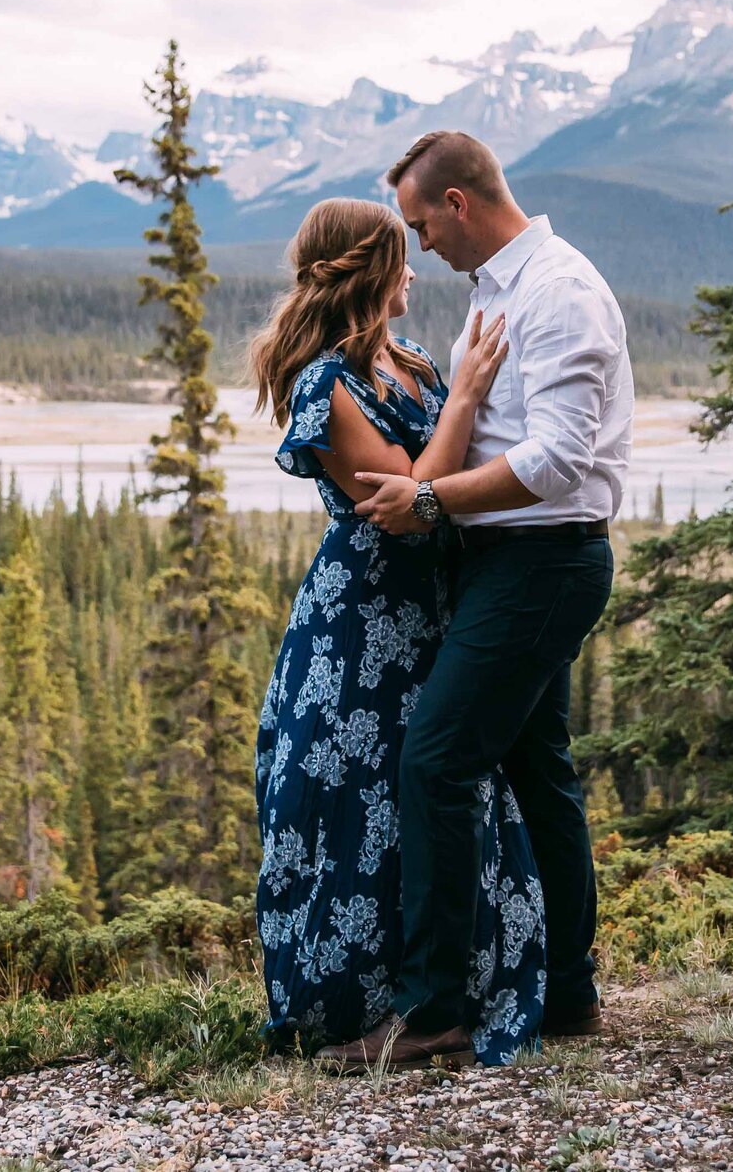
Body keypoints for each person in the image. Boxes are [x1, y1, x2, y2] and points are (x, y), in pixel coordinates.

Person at [320, 130, 634, 1070]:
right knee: (540, 774)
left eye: (422, 225)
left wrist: (428, 497)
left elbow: (559, 459)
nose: (419, 248)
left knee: (437, 760)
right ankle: (569, 996)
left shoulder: (561, 293)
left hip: (544, 563)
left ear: (457, 203)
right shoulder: (497, 293)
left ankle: (434, 1012)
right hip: (506, 564)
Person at [248, 195, 547, 1065]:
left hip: (436, 616)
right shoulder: (325, 386)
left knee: (432, 792)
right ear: (368, 271)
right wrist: (469, 397)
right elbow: (405, 503)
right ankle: (367, 1003)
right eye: (398, 254)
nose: (414, 267)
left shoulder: (411, 360)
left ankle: (447, 990)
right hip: (362, 627)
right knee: (355, 804)